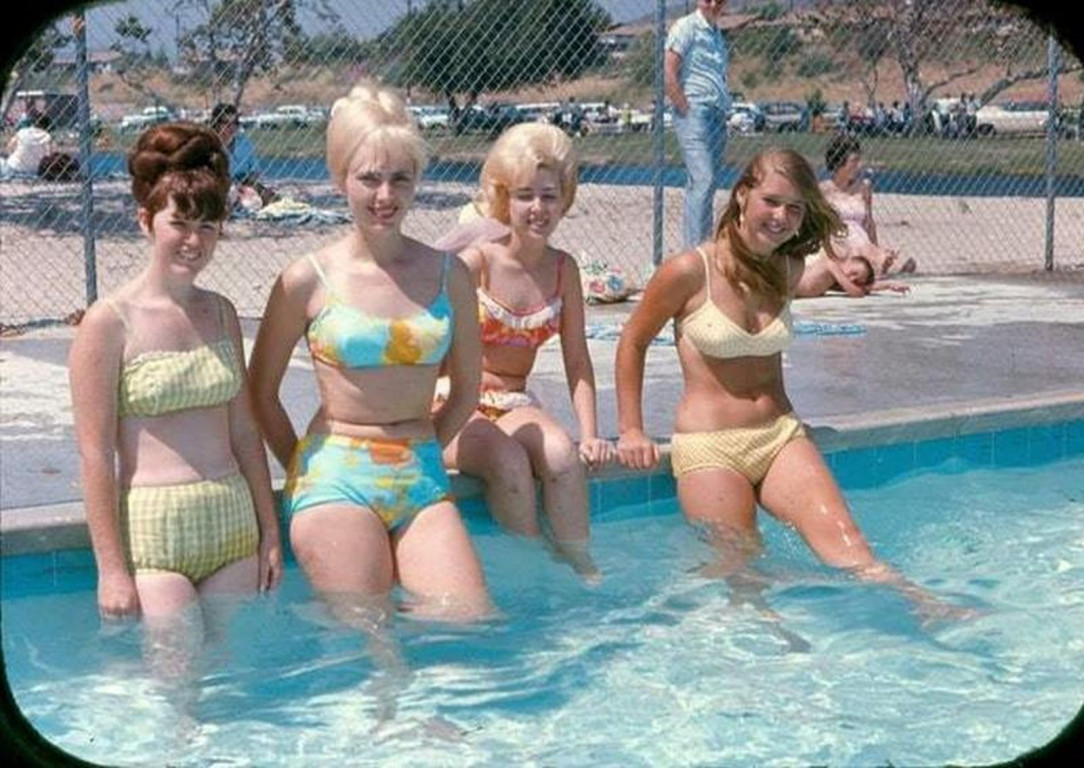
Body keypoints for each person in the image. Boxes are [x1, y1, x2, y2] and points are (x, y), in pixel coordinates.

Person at [615, 147, 967, 624]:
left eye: (795, 208)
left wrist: (867, 283)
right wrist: (631, 430)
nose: (781, 217)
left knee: (851, 548)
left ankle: (926, 609)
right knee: (739, 571)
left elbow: (829, 276)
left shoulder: (784, 270)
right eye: (772, 202)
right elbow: (632, 342)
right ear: (743, 196)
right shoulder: (688, 270)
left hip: (779, 436)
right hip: (710, 446)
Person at [248, 81, 491, 624]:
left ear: (416, 183)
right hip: (335, 470)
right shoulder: (304, 281)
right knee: (371, 639)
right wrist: (302, 466)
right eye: (369, 179)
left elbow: (468, 389)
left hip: (420, 472)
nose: (385, 196)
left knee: (468, 621)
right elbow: (259, 393)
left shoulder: (452, 276)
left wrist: (424, 445)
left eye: (399, 179)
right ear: (340, 180)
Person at [68, 122, 283, 681]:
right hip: (154, 534)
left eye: (208, 225)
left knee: (230, 680)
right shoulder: (107, 324)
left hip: (232, 525)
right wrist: (110, 570)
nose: (194, 239)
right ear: (146, 221)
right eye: (179, 223)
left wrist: (270, 533)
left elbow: (243, 432)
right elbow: (95, 455)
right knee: (176, 687)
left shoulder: (223, 313)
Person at [439, 122, 614, 581]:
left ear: (565, 198)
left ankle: (580, 564)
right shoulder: (476, 263)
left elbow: (578, 360)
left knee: (561, 454)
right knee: (509, 461)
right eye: (524, 196)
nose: (538, 208)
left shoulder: (563, 270)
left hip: (513, 401)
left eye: (549, 196)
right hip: (454, 400)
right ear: (504, 199)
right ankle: (534, 566)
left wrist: (591, 433)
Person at [665, 0, 734, 249]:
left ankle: (704, 244)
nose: (713, 4)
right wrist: (684, 106)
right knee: (703, 179)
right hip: (696, 112)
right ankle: (695, 252)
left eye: (719, 0)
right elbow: (670, 70)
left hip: (717, 113)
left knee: (707, 182)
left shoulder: (716, 34)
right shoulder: (686, 27)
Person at [820, 133, 915, 275]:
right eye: (854, 161)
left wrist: (876, 246)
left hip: (861, 239)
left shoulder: (864, 187)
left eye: (859, 161)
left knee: (867, 249)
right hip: (838, 240)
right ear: (840, 162)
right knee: (855, 251)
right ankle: (879, 266)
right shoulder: (824, 190)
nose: (859, 166)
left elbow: (869, 222)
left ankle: (879, 262)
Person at [209, 102, 278, 209]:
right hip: (219, 185)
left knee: (262, 200)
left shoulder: (244, 143)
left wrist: (251, 187)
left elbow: (253, 171)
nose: (231, 127)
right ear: (217, 124)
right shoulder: (209, 144)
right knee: (233, 195)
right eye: (226, 123)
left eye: (235, 123)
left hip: (243, 183)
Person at [794, 253, 910, 298]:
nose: (851, 279)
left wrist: (888, 285)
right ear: (848, 261)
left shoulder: (831, 281)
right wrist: (856, 288)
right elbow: (857, 293)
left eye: (856, 280)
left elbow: (863, 288)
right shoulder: (831, 265)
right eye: (854, 273)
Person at [1, 111, 54, 178]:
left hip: (13, 167)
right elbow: (48, 155)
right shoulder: (47, 136)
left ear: (32, 123)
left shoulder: (22, 131)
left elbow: (9, 148)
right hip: (33, 171)